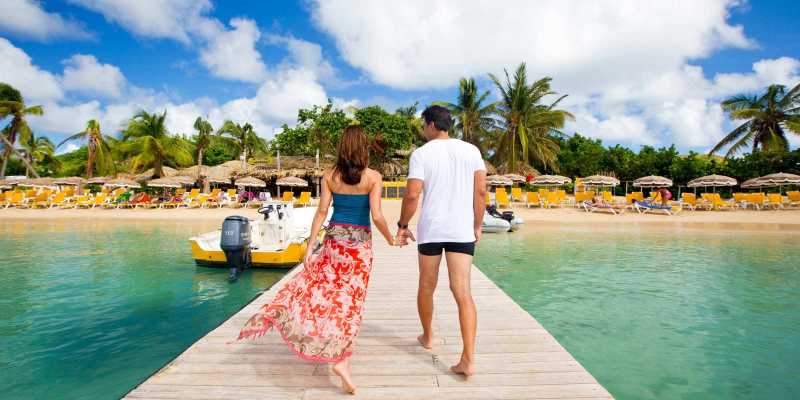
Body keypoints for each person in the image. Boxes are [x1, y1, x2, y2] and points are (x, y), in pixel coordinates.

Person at [236, 126, 395, 394]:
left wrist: (310, 247)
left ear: (342, 147)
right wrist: (390, 238)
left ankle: (330, 345)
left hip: (333, 243)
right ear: (363, 148)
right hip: (358, 248)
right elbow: (377, 215)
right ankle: (342, 360)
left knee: (329, 295)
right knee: (351, 301)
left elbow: (322, 211)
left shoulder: (330, 175)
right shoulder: (373, 177)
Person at [395, 105, 487, 377]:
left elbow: (412, 195)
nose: (423, 129)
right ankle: (468, 359)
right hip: (461, 231)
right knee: (463, 292)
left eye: (424, 124)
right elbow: (480, 191)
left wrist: (402, 225)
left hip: (432, 230)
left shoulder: (422, 154)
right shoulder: (472, 151)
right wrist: (477, 225)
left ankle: (427, 336)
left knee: (427, 285)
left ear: (433, 124)